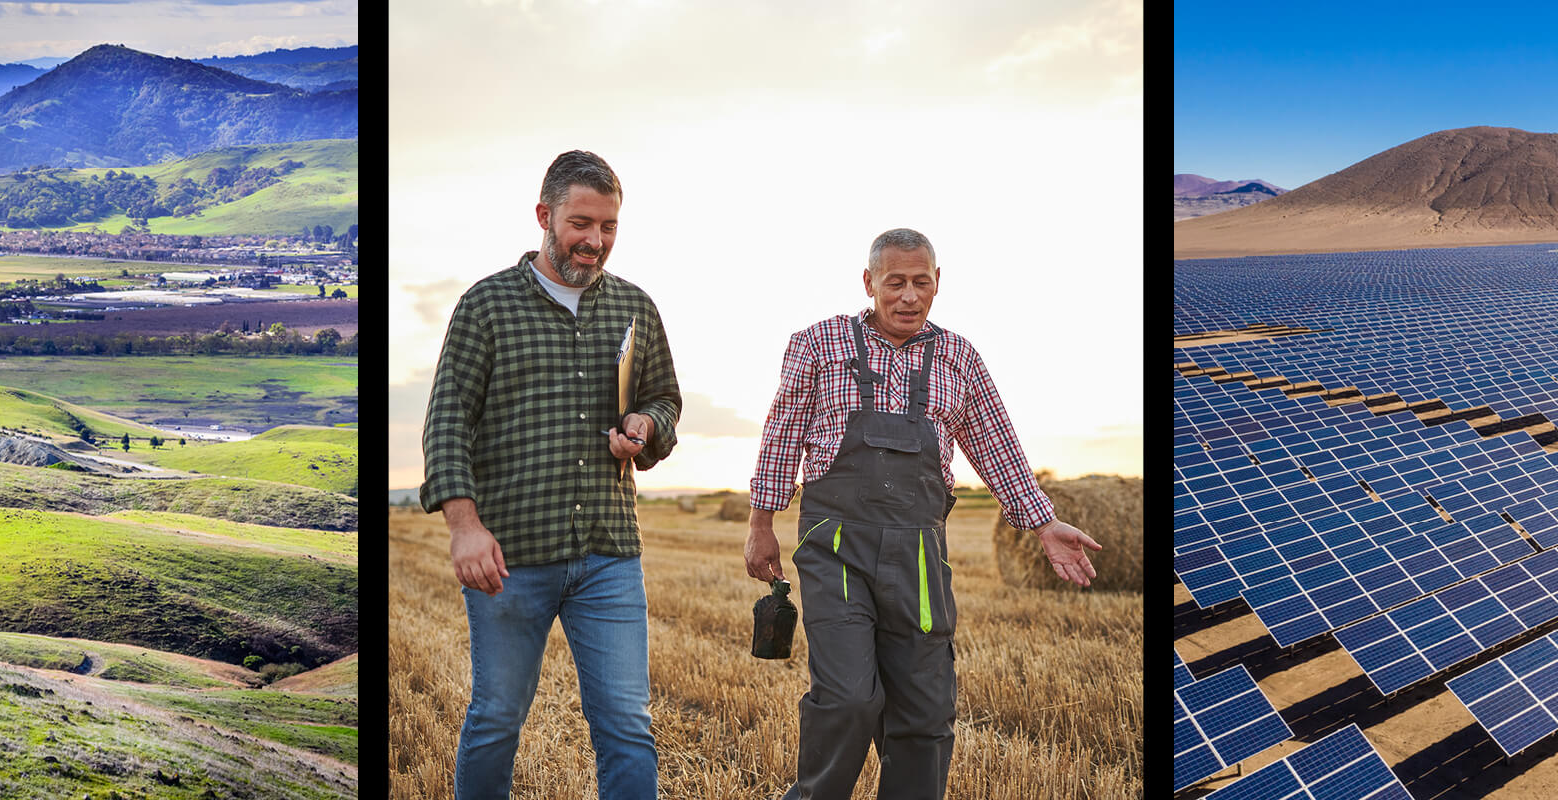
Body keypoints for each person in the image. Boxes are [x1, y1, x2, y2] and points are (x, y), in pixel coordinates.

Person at [744, 228, 1102, 799]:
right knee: (847, 699)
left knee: (926, 714)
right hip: (835, 546)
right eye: (895, 283)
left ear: (938, 283)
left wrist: (1042, 521)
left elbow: (995, 442)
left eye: (921, 282)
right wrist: (761, 525)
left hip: (919, 552)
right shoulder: (816, 343)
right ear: (869, 283)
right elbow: (781, 434)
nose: (908, 296)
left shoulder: (959, 356)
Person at [423, 150, 681, 800]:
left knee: (627, 726)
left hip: (608, 554)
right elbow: (447, 422)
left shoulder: (635, 308)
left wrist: (647, 428)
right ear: (545, 216)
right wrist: (464, 528)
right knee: (495, 721)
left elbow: (665, 402)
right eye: (581, 223)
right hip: (510, 558)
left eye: (609, 227)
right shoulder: (486, 306)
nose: (595, 241)